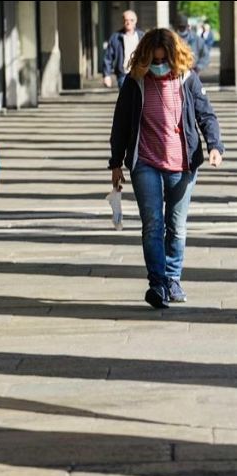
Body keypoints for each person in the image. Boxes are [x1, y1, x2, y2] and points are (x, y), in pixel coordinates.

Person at [109, 28, 224, 309]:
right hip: (145, 162)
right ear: (146, 57)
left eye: (164, 60)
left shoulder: (188, 79)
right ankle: (157, 284)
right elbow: (121, 123)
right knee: (152, 225)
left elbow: (206, 114)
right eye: (154, 60)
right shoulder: (135, 82)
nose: (159, 66)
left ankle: (173, 278)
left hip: (182, 164)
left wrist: (215, 146)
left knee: (176, 226)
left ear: (174, 57)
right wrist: (115, 162)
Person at [103, 10, 144, 89]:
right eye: (126, 20)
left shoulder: (142, 36)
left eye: (131, 20)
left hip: (140, 74)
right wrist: (106, 75)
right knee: (126, 100)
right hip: (123, 74)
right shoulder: (115, 37)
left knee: (140, 99)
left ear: (136, 21)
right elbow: (108, 58)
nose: (128, 22)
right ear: (123, 21)